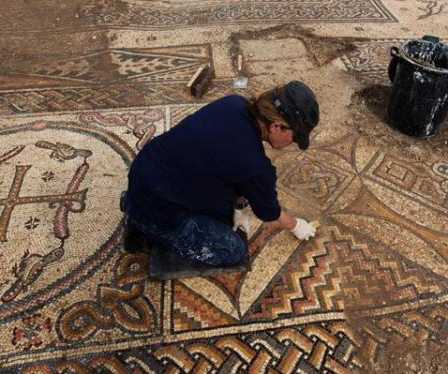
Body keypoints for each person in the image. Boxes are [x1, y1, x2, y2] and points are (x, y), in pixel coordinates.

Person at [122, 81, 320, 267]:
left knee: (225, 215)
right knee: (232, 250)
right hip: (157, 207)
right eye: (295, 137)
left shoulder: (233, 103)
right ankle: (146, 229)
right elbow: (270, 212)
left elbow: (228, 166)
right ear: (276, 126)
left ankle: (134, 204)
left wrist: (239, 207)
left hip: (143, 173)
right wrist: (296, 226)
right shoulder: (255, 166)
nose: (293, 143)